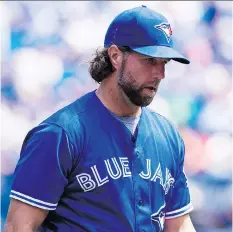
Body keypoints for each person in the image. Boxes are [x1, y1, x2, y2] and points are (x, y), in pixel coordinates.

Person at [4, 5, 196, 232]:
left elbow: (179, 224)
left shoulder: (168, 136)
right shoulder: (60, 134)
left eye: (164, 63)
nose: (160, 74)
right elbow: (19, 227)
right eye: (149, 60)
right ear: (115, 56)